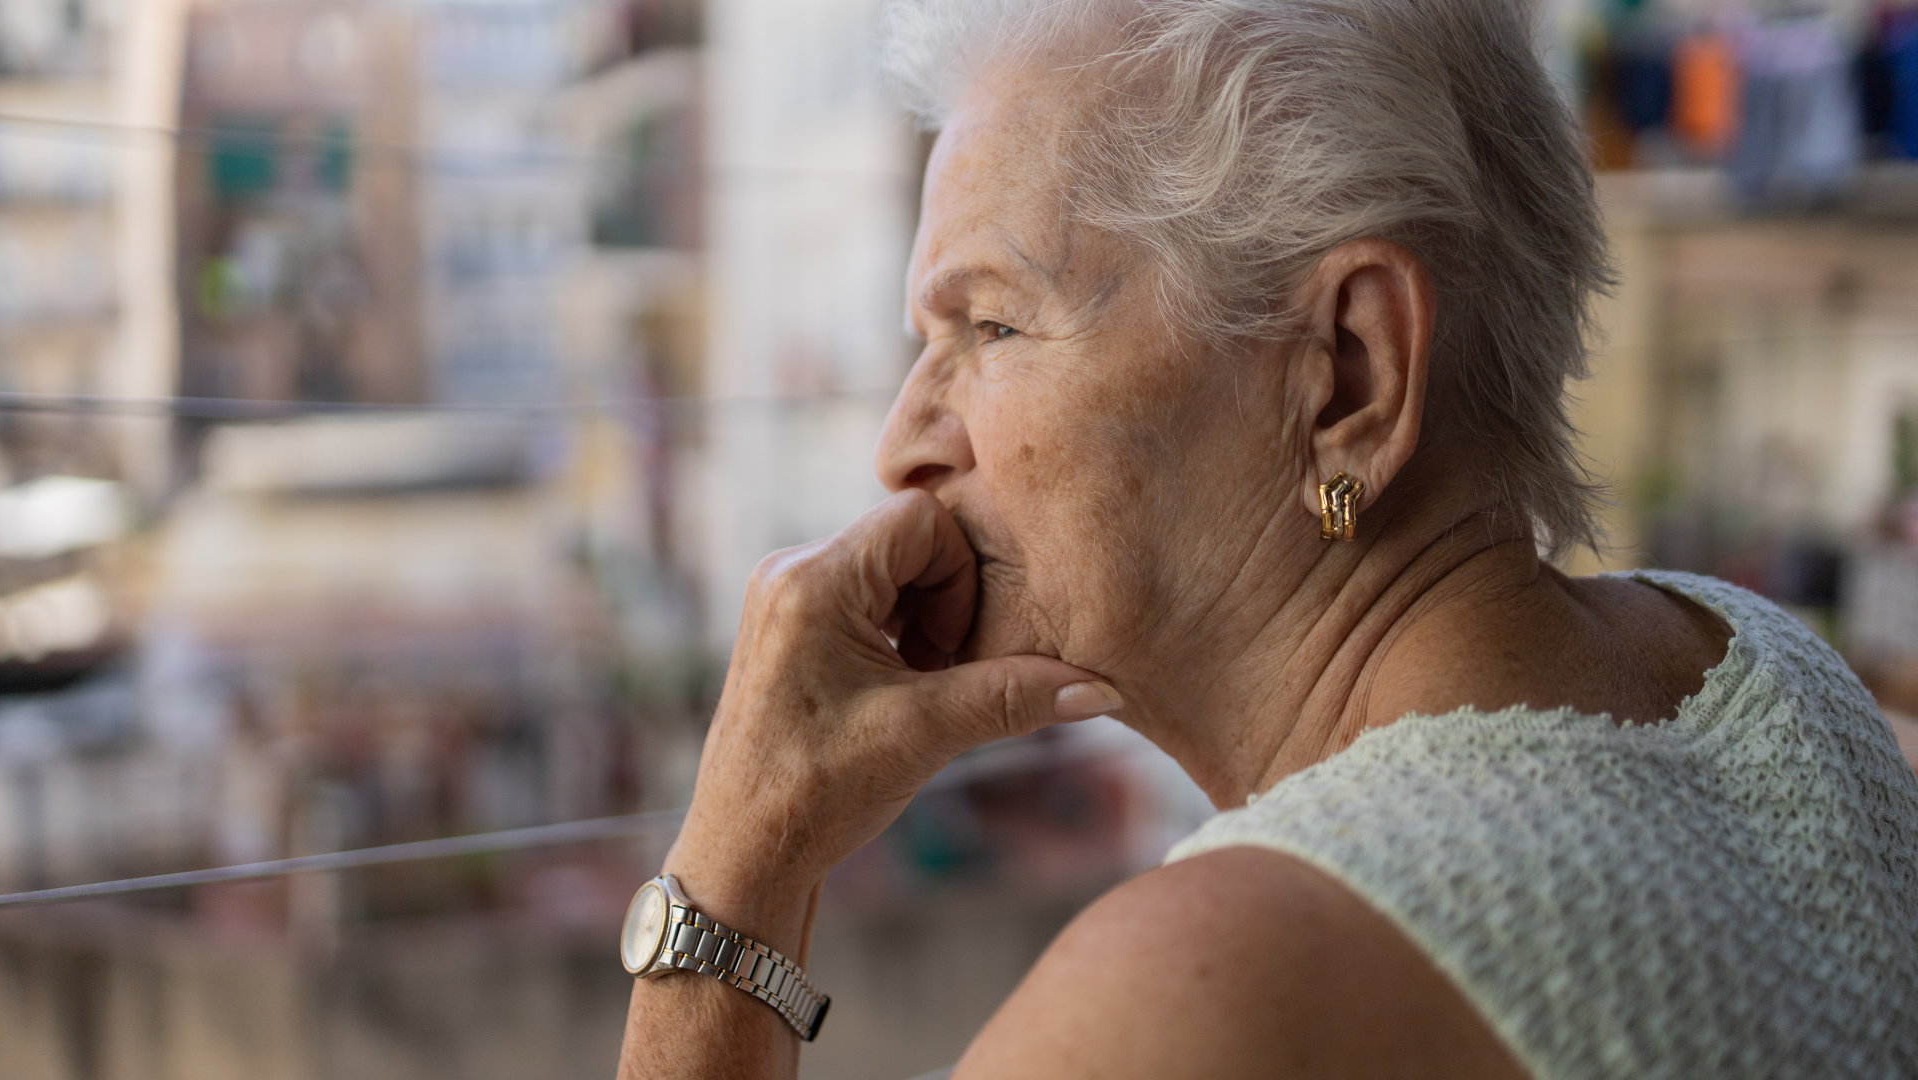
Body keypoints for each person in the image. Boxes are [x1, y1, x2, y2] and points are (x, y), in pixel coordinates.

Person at [614, 1, 1918, 1077]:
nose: (901, 446)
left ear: (1347, 375)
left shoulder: (1208, 990)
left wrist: (734, 868)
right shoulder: (1769, 672)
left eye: (994, 326)